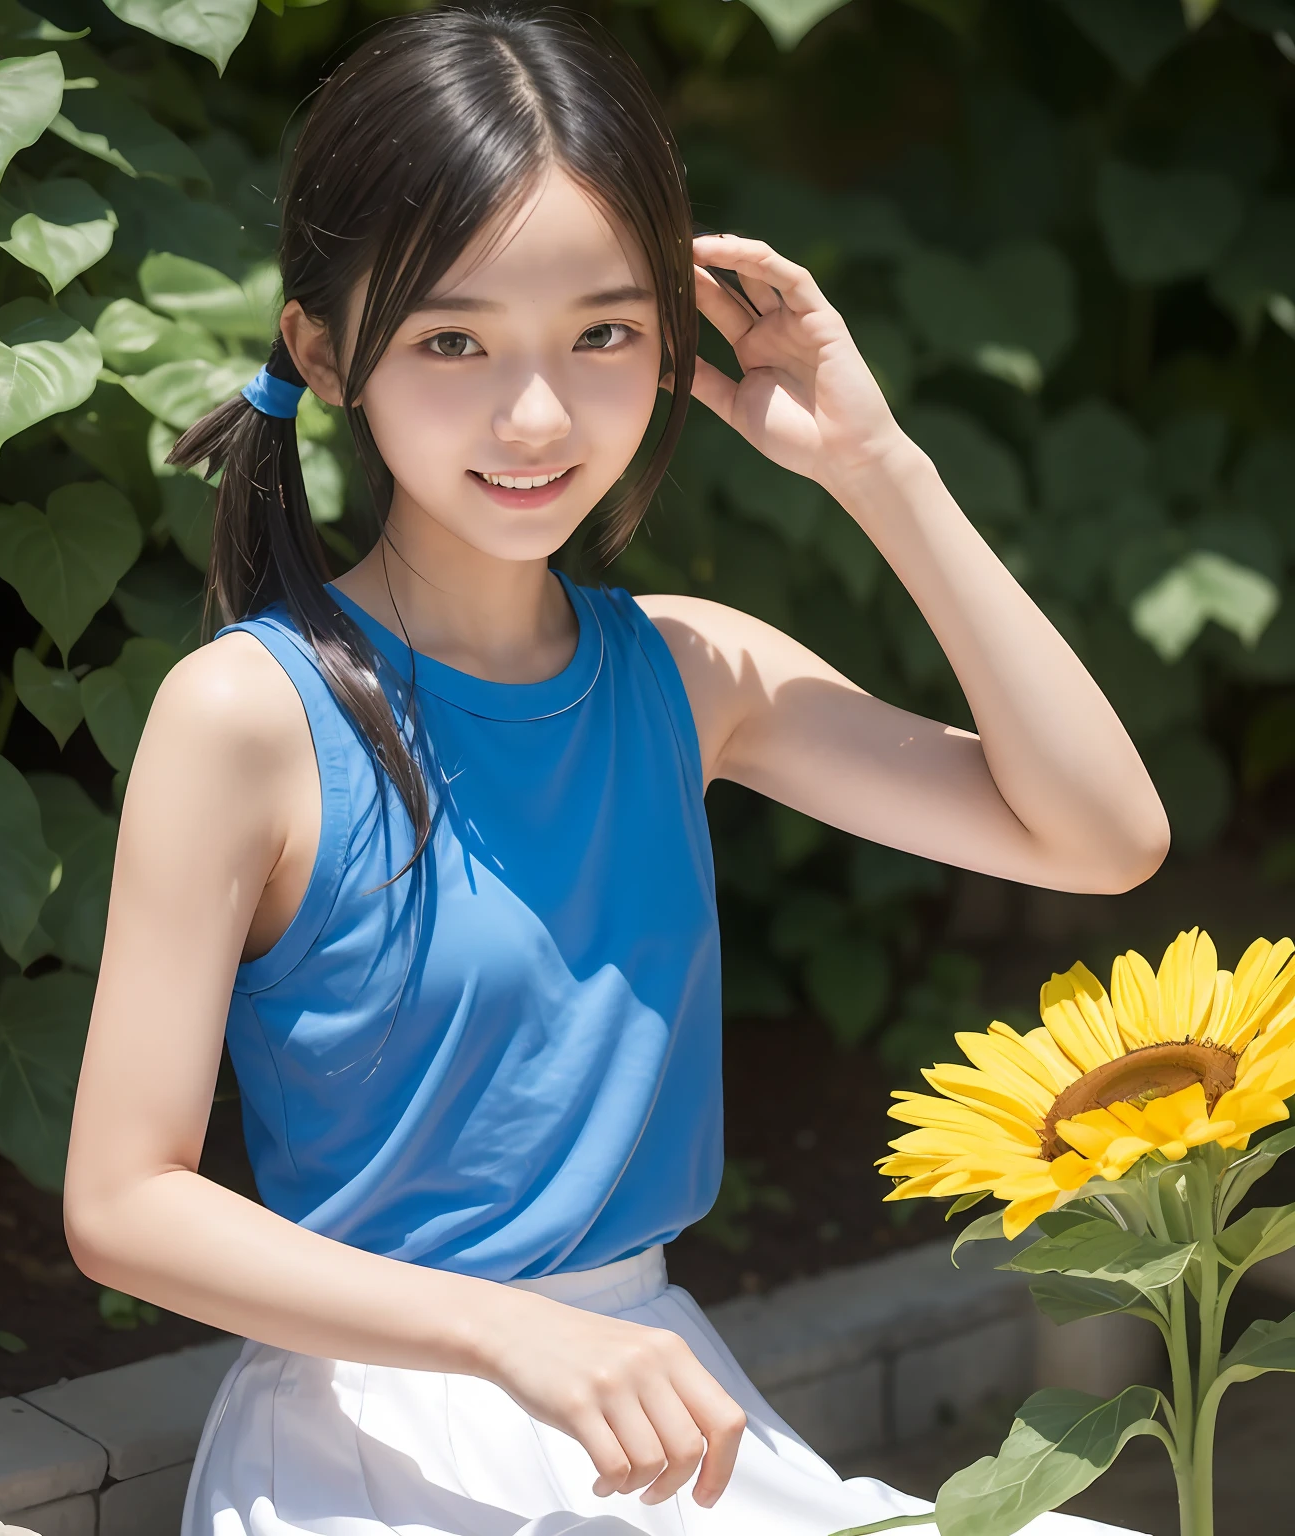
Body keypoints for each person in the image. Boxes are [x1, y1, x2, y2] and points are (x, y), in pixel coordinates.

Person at [62, 9, 1167, 1535]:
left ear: (670, 342)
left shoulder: (690, 674)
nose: (536, 412)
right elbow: (123, 1204)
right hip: (377, 1442)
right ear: (324, 351)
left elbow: (1103, 838)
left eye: (603, 332)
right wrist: (510, 1332)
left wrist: (877, 465)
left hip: (661, 1416)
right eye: (455, 340)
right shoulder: (245, 715)